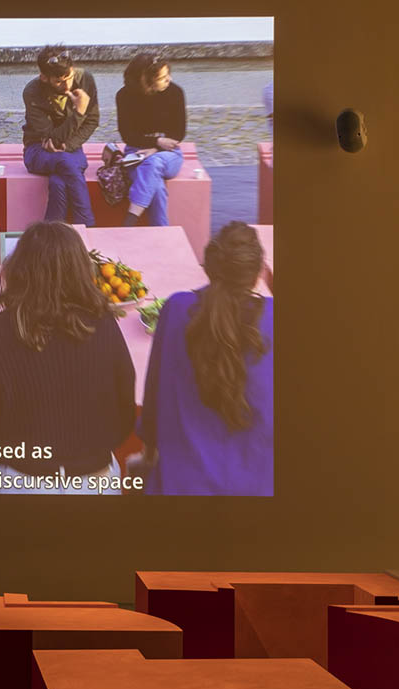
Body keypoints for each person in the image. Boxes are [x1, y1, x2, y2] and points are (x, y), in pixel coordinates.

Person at [0, 221, 136, 494]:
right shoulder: (104, 326)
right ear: (81, 271)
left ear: (19, 270)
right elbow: (125, 410)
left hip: (21, 483)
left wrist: (5, 472)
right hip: (96, 481)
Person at [138, 222, 273, 495]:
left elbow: (153, 398)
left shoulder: (177, 309)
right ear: (258, 271)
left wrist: (148, 452)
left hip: (179, 486)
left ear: (209, 264)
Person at [21, 45, 100, 226]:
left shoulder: (85, 79)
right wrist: (78, 113)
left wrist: (68, 145)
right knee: (66, 162)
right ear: (44, 77)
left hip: (71, 148)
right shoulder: (32, 92)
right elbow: (51, 138)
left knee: (59, 182)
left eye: (69, 78)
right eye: (58, 82)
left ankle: (51, 233)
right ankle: (87, 225)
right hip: (38, 149)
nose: (67, 86)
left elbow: (92, 121)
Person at [115, 52, 188, 227]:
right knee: (157, 188)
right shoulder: (124, 96)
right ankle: (162, 233)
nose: (169, 79)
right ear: (145, 80)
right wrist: (156, 141)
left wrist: (156, 148)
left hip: (169, 154)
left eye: (168, 74)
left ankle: (130, 220)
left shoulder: (175, 92)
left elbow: (178, 133)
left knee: (153, 162)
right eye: (162, 78)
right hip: (137, 152)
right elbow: (127, 135)